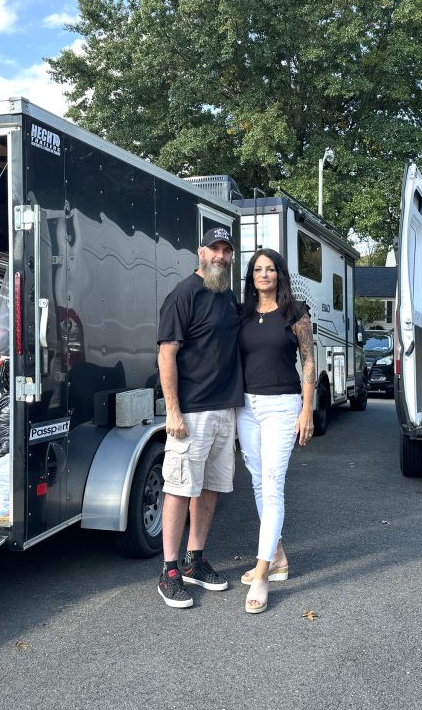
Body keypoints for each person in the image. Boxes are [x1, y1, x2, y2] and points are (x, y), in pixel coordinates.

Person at [155, 227, 244, 608]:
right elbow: (166, 354)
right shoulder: (184, 294)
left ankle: (195, 560)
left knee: (209, 489)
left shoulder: (226, 297)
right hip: (191, 412)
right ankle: (169, 570)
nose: (221, 256)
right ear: (200, 252)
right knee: (179, 489)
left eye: (226, 250)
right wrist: (173, 410)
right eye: (215, 249)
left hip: (224, 410)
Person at [236, 248, 315, 614]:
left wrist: (307, 410)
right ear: (251, 276)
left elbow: (309, 361)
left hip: (283, 407)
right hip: (247, 408)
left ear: (279, 275)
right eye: (257, 269)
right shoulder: (243, 314)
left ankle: (263, 573)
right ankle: (278, 556)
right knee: (256, 481)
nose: (263, 274)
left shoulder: (296, 312)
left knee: (273, 483)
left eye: (270, 269)